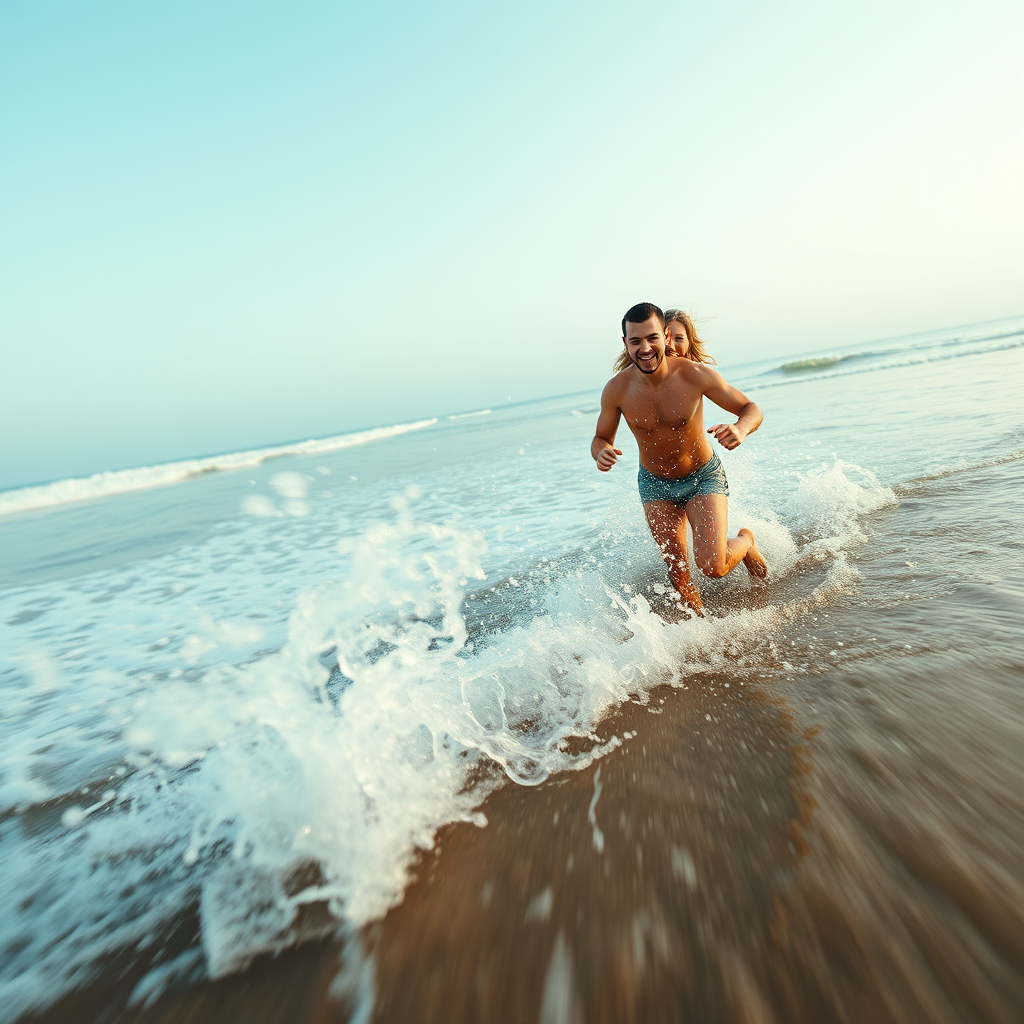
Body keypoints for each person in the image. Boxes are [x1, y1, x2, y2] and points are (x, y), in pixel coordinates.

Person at [592, 302, 767, 614]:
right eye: (635, 341)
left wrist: (740, 429)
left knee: (713, 566)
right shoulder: (616, 389)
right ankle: (704, 635)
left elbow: (750, 409)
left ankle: (745, 540)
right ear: (626, 344)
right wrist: (601, 451)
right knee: (678, 573)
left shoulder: (694, 375)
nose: (644, 348)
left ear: (665, 337)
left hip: (702, 477)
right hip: (654, 485)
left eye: (652, 338)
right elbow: (601, 437)